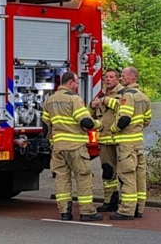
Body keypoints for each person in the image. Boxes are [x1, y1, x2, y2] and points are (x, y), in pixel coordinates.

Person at [43, 71, 102, 221]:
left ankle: (65, 212)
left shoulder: (49, 100)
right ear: (70, 83)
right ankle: (87, 212)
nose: (76, 86)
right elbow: (85, 122)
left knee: (61, 178)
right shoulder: (74, 99)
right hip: (75, 146)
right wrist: (99, 124)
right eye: (76, 83)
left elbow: (46, 125)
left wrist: (52, 141)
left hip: (58, 147)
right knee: (83, 177)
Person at [107, 66, 152, 220]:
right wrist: (136, 129)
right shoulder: (143, 96)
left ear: (132, 77)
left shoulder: (127, 95)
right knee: (140, 175)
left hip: (126, 143)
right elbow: (147, 119)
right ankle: (139, 208)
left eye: (124, 76)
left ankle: (126, 210)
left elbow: (124, 119)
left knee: (127, 176)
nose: (121, 78)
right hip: (138, 142)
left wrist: (113, 128)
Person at [91, 69, 121, 212]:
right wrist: (92, 106)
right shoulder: (101, 94)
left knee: (125, 172)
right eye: (106, 77)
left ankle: (130, 204)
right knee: (108, 171)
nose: (107, 79)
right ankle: (110, 200)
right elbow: (90, 115)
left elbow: (124, 108)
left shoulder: (124, 93)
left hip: (120, 140)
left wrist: (106, 100)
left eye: (111, 77)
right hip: (104, 139)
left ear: (118, 79)